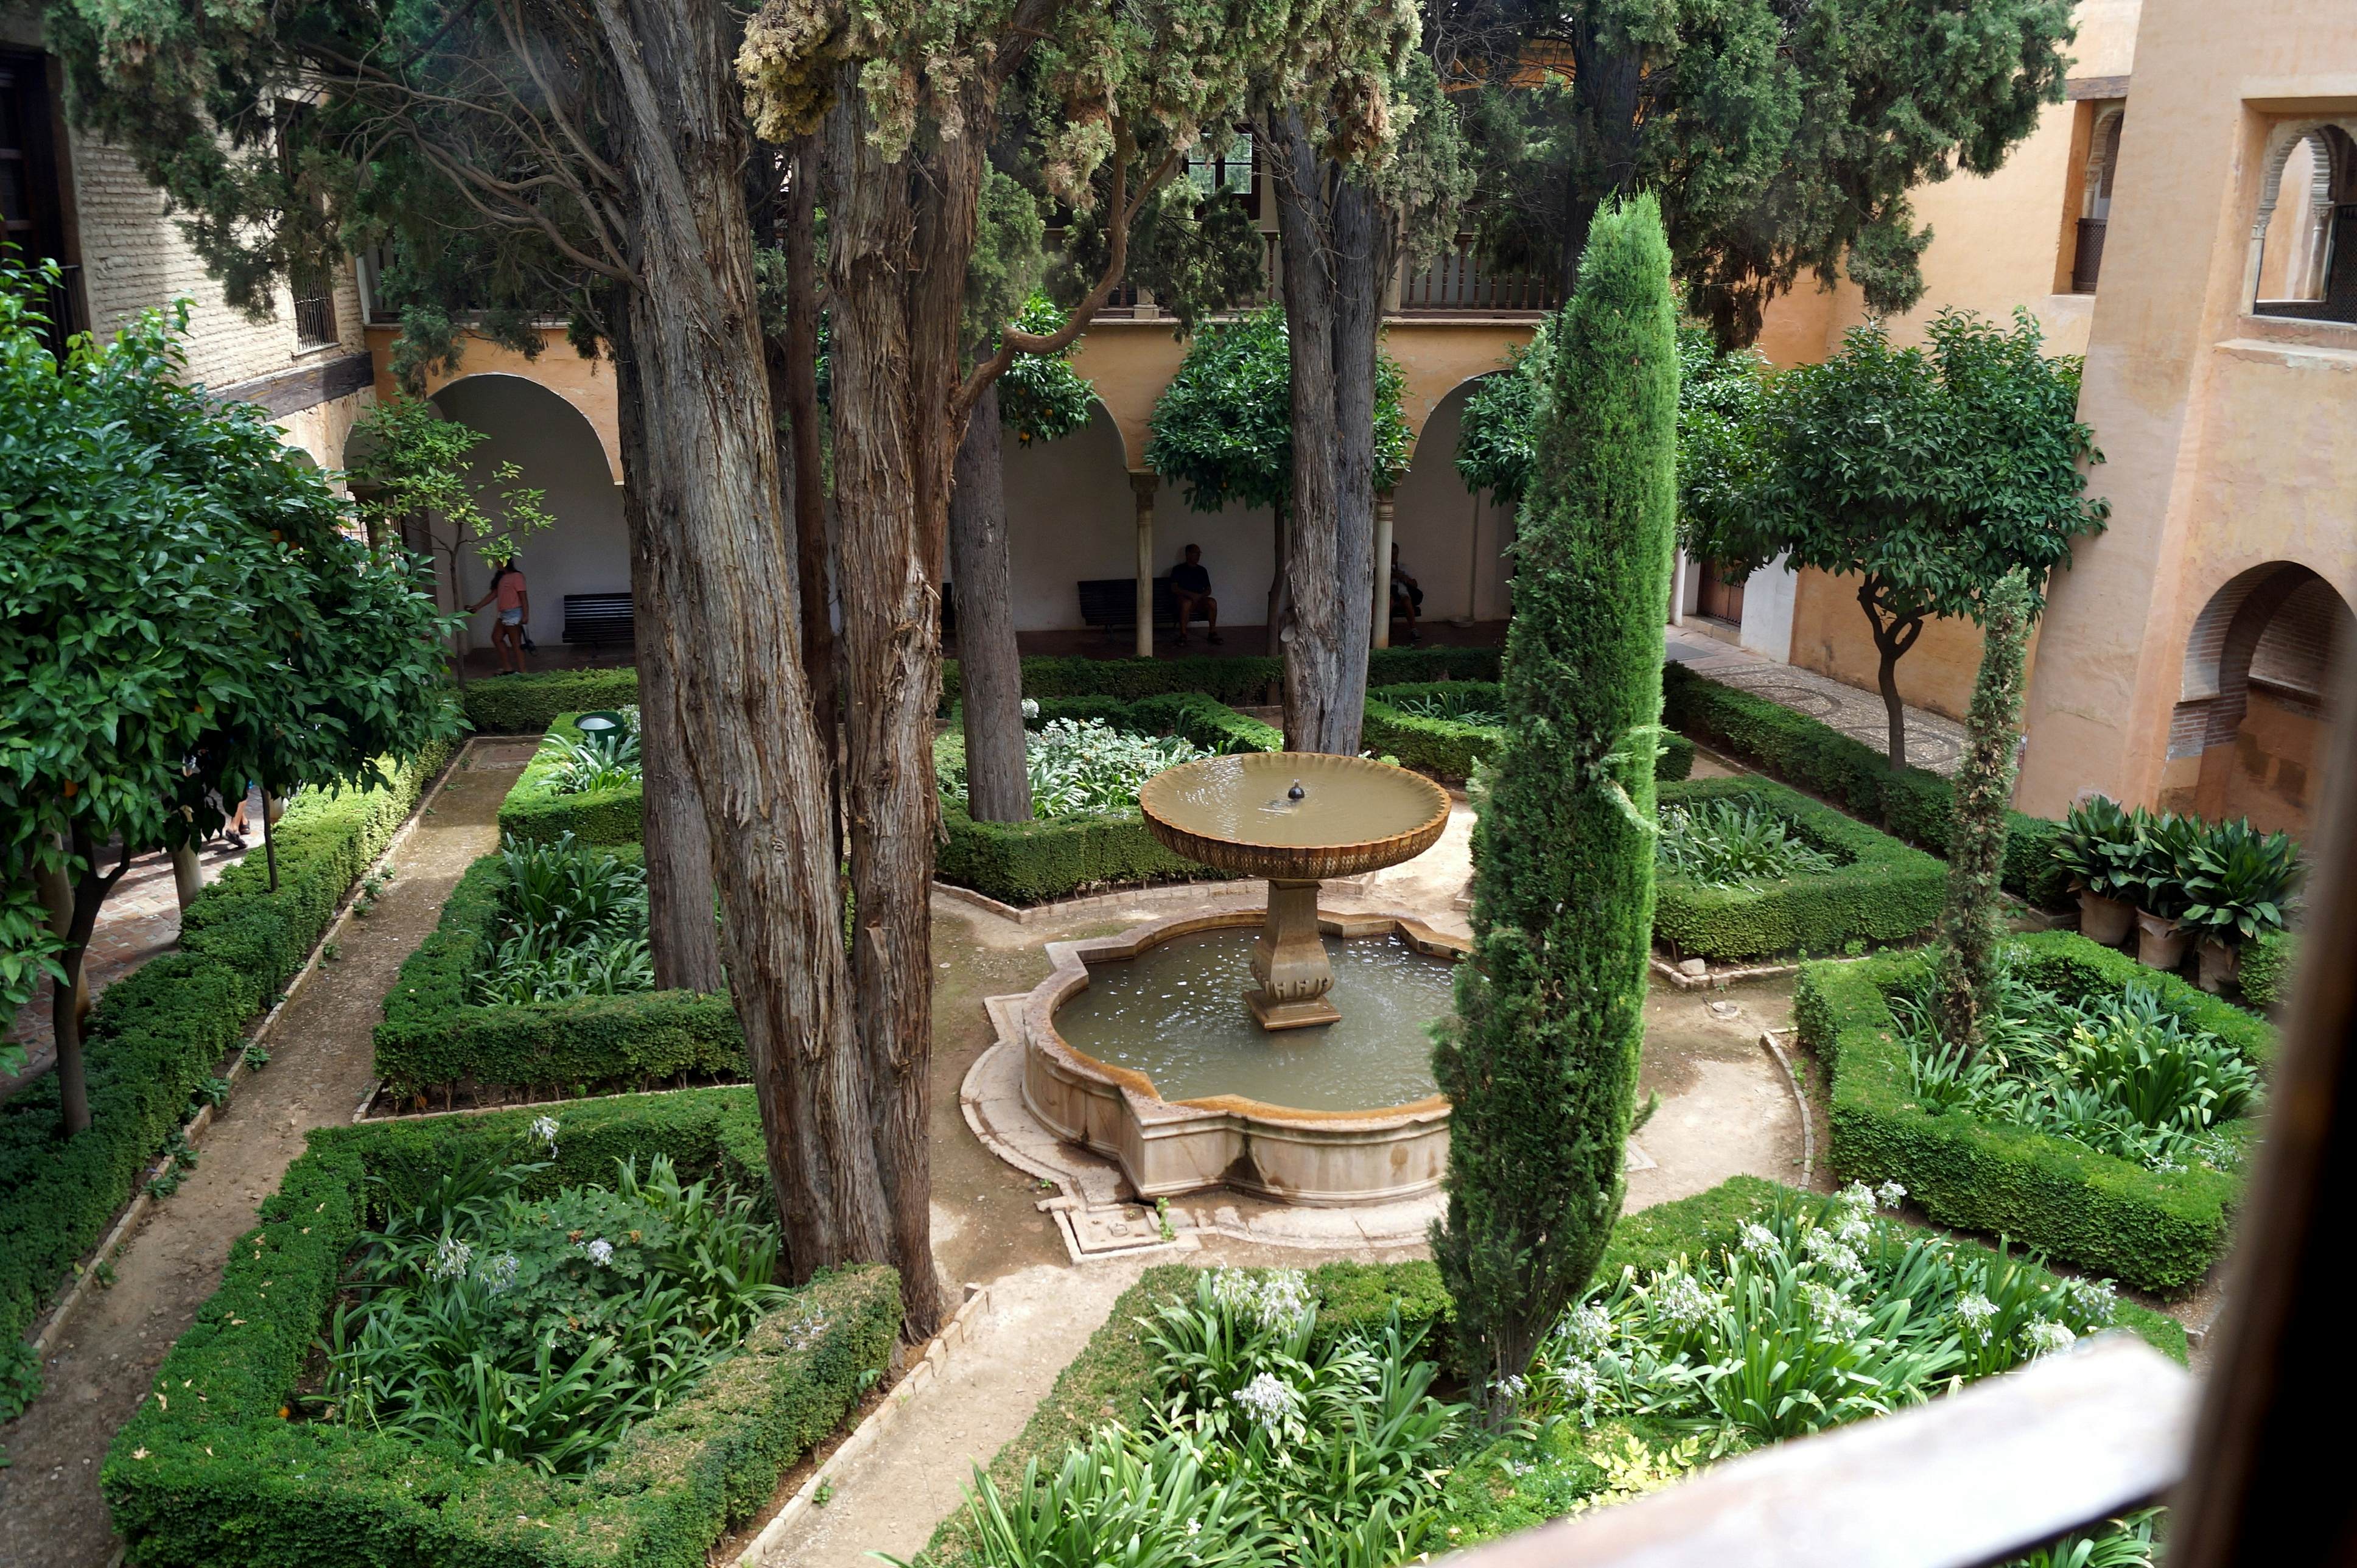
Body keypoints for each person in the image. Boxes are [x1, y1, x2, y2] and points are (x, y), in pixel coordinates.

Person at [468, 558, 531, 675]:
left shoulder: (517, 576)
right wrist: (477, 607)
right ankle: (508, 669)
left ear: (506, 562)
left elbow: (523, 597)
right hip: (504, 614)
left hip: (514, 614)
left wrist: (526, 615)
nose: (496, 564)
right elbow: (493, 595)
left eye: (499, 562)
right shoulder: (501, 577)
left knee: (516, 644)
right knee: (496, 638)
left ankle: (524, 672)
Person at [1169, 543, 1221, 646]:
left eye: (1199, 553)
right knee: (1186, 603)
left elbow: (1208, 589)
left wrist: (1200, 596)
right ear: (1188, 554)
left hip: (1199, 600)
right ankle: (1183, 634)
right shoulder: (1178, 570)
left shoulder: (1202, 571)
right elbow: (1174, 588)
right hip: (1184, 600)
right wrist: (1191, 595)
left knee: (1212, 602)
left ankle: (1212, 632)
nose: (1198, 556)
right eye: (1195, 553)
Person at [1389, 543, 1423, 644]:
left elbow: (1415, 584)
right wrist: (1392, 576)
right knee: (1389, 601)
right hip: (1390, 595)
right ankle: (1384, 629)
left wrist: (1404, 578)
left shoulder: (1403, 567)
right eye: (1392, 553)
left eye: (1396, 553)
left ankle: (1413, 629)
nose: (1394, 556)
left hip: (1403, 594)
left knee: (1407, 601)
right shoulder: (1383, 566)